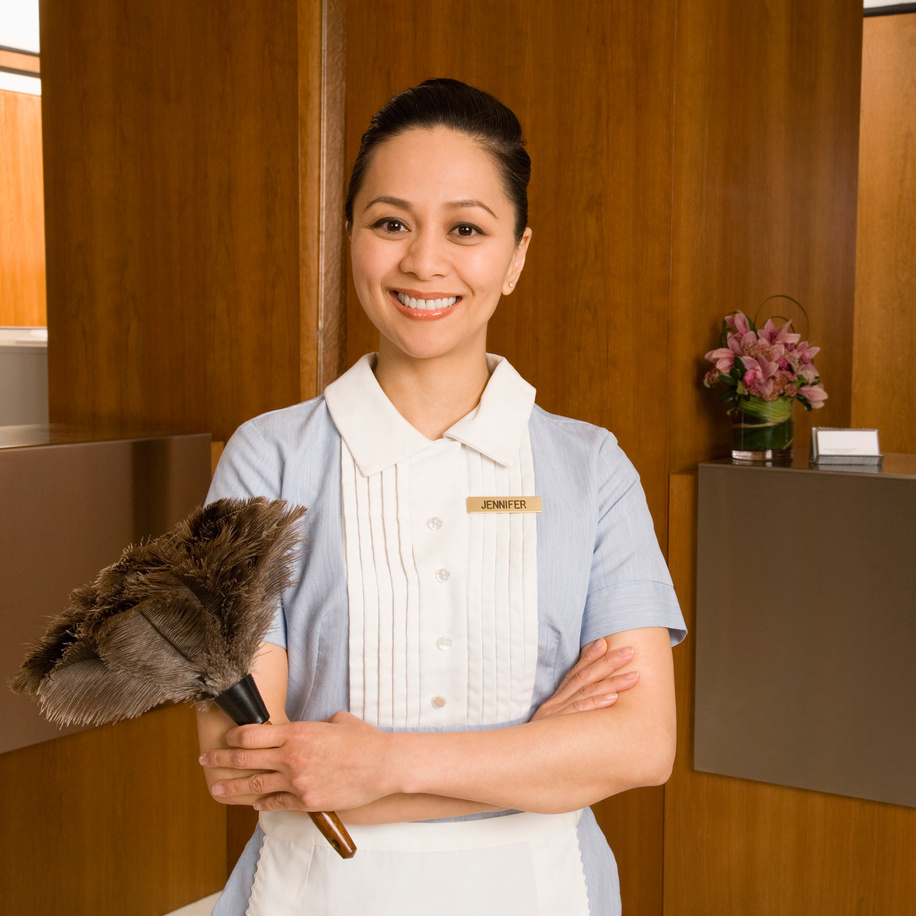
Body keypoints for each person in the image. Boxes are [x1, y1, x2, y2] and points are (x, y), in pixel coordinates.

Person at [198, 77, 686, 915]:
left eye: (466, 228)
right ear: (349, 233)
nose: (424, 261)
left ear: (518, 256)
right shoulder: (267, 460)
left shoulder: (590, 468)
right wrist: (538, 754)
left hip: (544, 891)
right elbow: (249, 762)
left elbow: (641, 747)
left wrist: (383, 766)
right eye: (391, 223)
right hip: (315, 892)